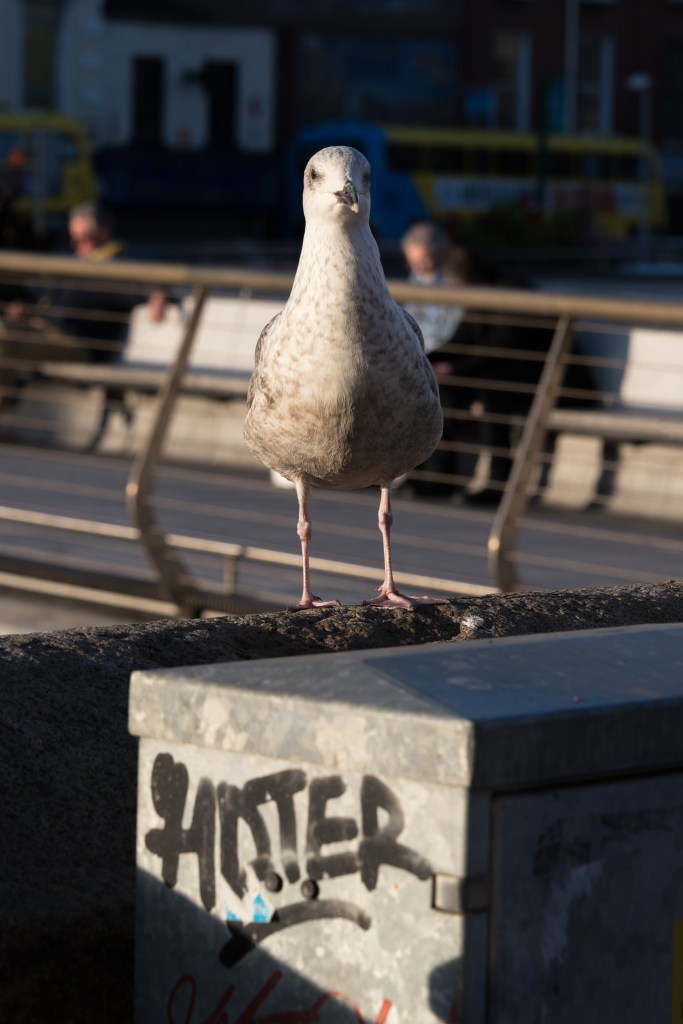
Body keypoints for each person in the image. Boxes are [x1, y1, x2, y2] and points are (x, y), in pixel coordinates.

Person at [0, 202, 168, 411]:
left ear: (103, 234)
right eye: (73, 239)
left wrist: (158, 293)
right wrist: (25, 306)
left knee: (5, 342)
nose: (77, 245)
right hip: (44, 330)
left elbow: (153, 280)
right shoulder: (80, 262)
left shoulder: (117, 266)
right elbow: (45, 296)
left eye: (83, 239)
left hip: (74, 343)